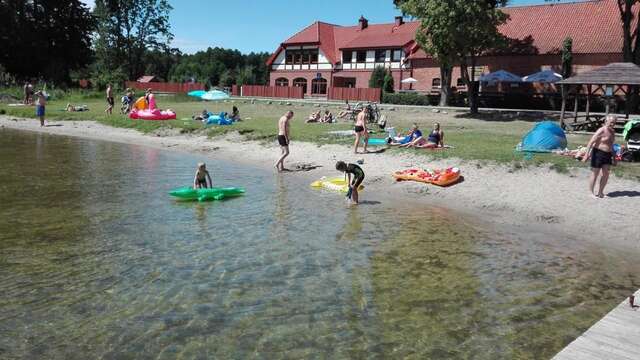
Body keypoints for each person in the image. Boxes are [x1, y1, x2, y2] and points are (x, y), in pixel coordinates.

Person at [583, 115, 617, 198]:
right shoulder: (601, 130)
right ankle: (591, 193)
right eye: (611, 122)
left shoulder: (612, 132)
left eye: (614, 122)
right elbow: (590, 142)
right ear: (606, 121)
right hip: (598, 153)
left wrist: (615, 158)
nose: (612, 124)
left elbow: (611, 145)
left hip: (607, 154)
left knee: (606, 174)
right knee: (595, 173)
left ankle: (601, 192)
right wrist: (586, 155)